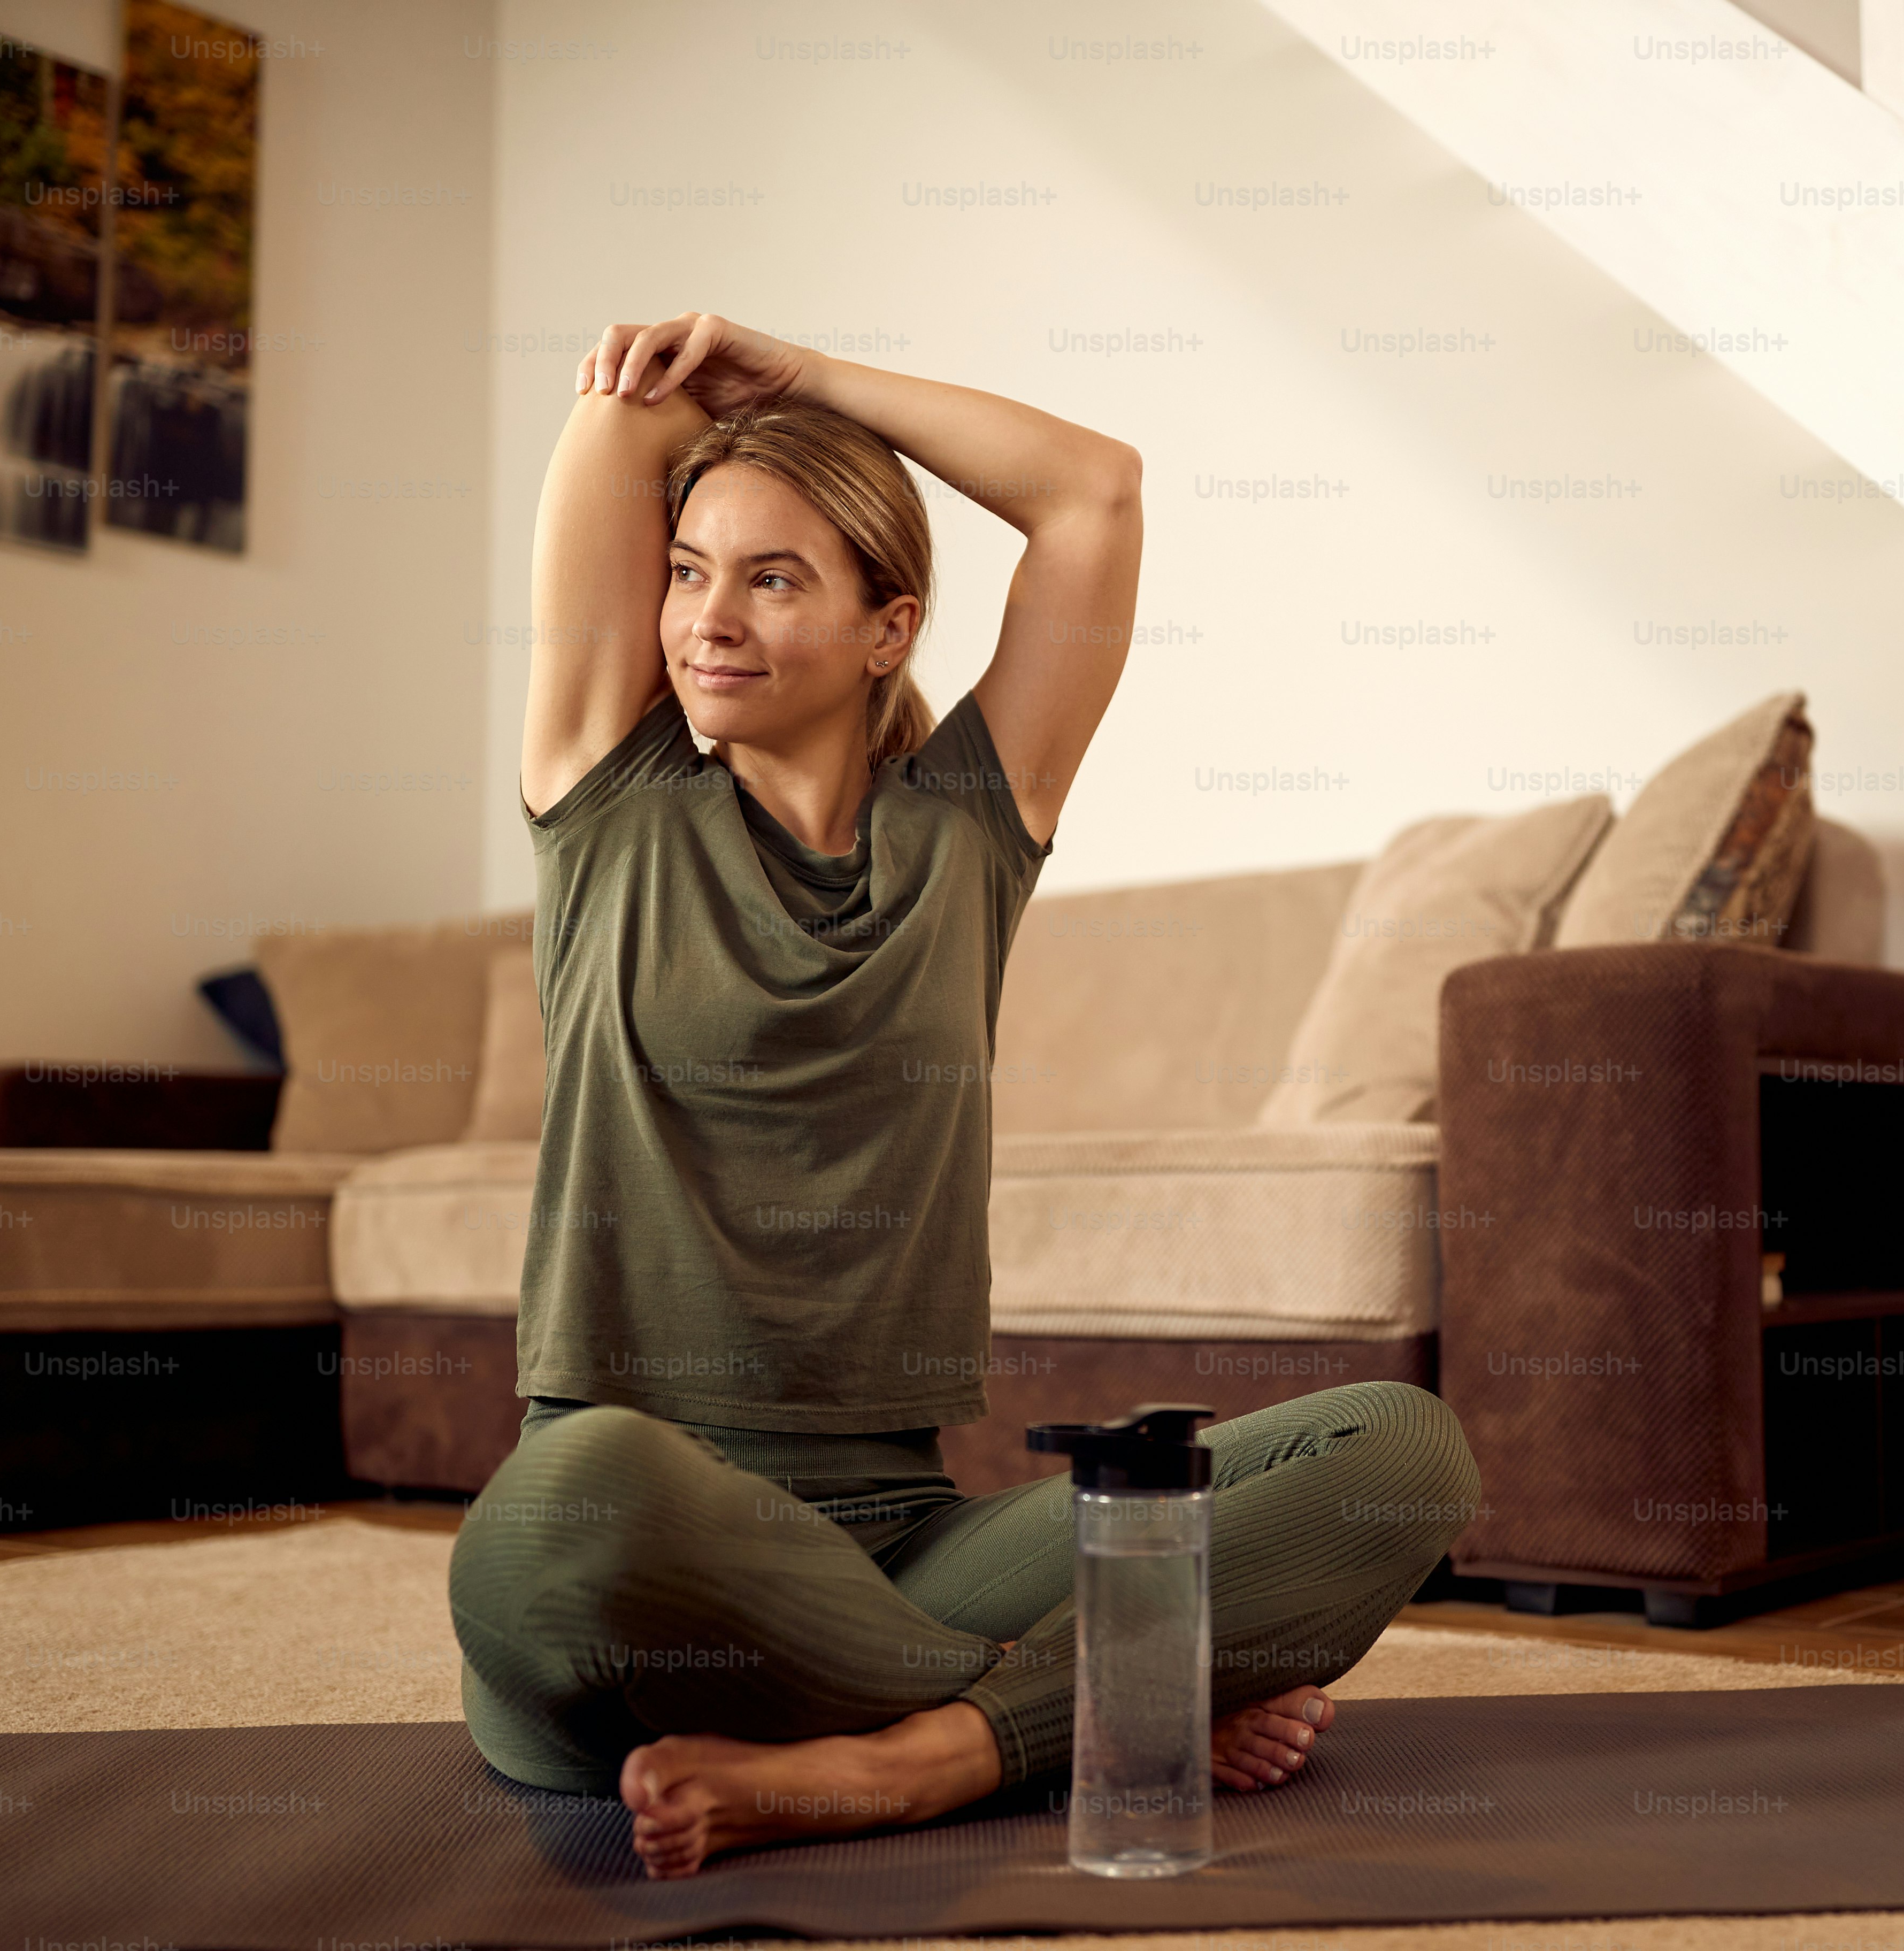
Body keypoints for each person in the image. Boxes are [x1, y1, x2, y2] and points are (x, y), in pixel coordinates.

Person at [445, 313, 1481, 1880]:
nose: (705, 620)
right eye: (687, 570)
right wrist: (705, 416)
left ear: (889, 629)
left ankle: (917, 1764)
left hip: (907, 1545)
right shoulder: (608, 803)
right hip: (638, 1548)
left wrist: (805, 377)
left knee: (1405, 1451)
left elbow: (1093, 493)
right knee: (555, 1514)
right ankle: (1111, 1705)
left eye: (774, 577)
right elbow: (619, 418)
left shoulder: (971, 834)